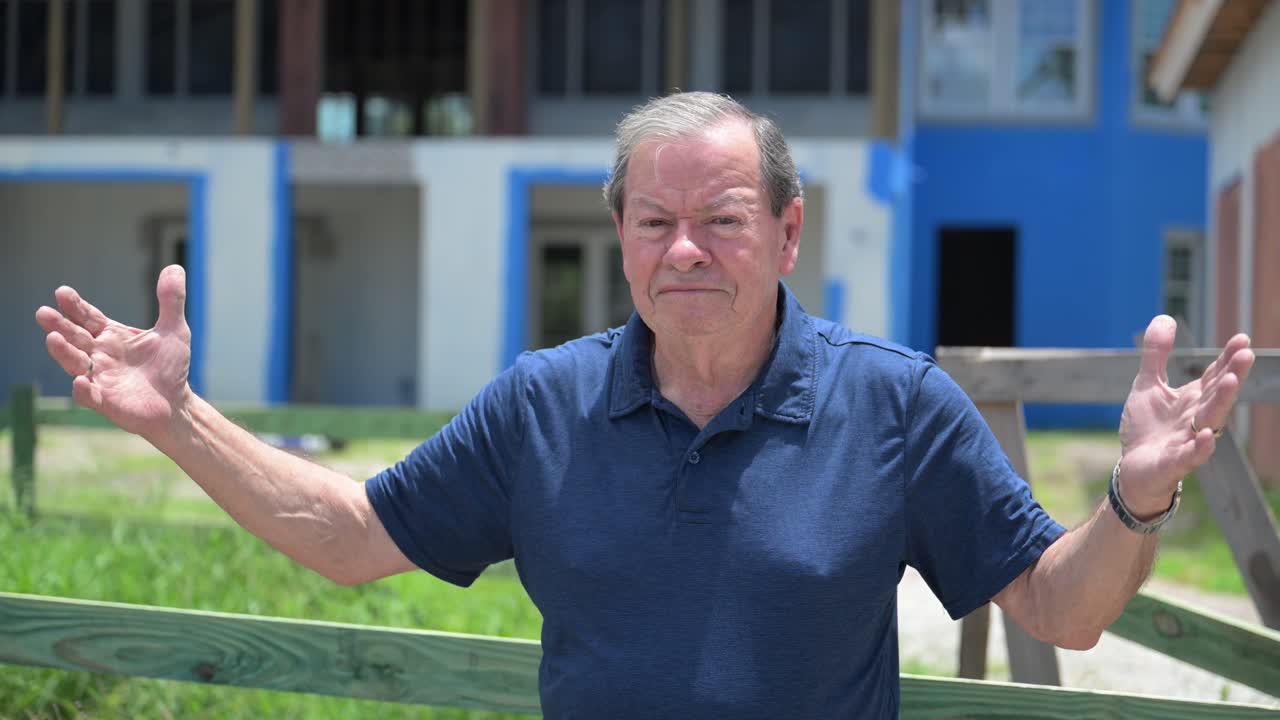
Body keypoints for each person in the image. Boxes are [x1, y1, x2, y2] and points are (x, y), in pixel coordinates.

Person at [35, 92, 1254, 718]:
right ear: (618, 236)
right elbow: (352, 540)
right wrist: (172, 421)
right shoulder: (542, 405)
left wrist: (1135, 498)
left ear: (784, 233)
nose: (687, 251)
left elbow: (1061, 608)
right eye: (656, 221)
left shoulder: (892, 405)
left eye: (722, 220)